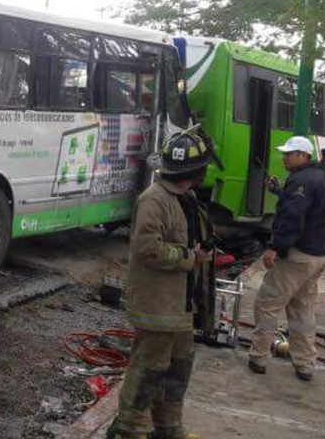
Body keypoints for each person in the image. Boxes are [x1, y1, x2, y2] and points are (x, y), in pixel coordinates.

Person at [108, 131, 215, 439]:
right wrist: (190, 257)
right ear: (196, 172)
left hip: (182, 307)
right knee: (148, 371)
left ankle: (168, 429)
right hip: (159, 307)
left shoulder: (185, 198)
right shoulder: (153, 200)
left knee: (178, 370)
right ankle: (129, 430)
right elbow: (149, 249)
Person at [249, 136, 325, 382]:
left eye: (289, 154)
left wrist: (274, 247)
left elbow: (292, 217)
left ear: (304, 155)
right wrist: (279, 190)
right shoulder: (319, 177)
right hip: (317, 255)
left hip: (297, 256)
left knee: (267, 304)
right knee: (302, 311)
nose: (284, 158)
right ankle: (305, 364)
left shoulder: (301, 180)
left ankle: (258, 357)